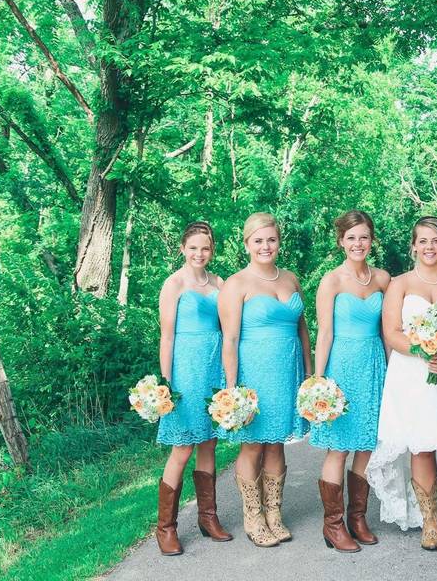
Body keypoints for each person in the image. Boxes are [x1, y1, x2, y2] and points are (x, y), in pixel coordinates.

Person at [366, 216, 437, 551]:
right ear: (413, 245)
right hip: (411, 375)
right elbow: (391, 332)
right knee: (422, 444)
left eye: (436, 240)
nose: (429, 247)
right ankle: (430, 521)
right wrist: (424, 348)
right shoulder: (399, 284)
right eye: (423, 241)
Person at [218, 213, 310, 547]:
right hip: (253, 374)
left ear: (278, 242)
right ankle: (253, 517)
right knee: (254, 443)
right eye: (258, 240)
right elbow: (229, 340)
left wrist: (309, 375)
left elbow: (302, 329)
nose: (265, 246)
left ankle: (274, 513)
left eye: (271, 239)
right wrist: (232, 389)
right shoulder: (236, 284)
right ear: (247, 244)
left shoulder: (290, 278)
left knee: (277, 442)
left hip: (288, 372)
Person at [310, 210, 391, 552]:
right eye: (351, 237)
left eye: (364, 237)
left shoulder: (384, 279)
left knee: (368, 445)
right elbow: (324, 333)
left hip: (374, 365)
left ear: (372, 240)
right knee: (339, 447)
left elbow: (388, 332)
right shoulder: (331, 281)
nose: (358, 243)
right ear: (341, 241)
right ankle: (334, 525)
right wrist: (318, 380)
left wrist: (393, 371)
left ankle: (359, 517)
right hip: (341, 365)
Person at [155, 221, 232, 555]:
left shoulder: (220, 283)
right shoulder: (174, 284)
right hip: (185, 368)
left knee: (209, 444)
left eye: (205, 248)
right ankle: (166, 527)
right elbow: (167, 336)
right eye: (193, 248)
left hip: (214, 365)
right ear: (183, 248)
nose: (199, 253)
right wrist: (167, 385)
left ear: (211, 250)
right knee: (182, 447)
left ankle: (208, 517)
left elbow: (231, 329)